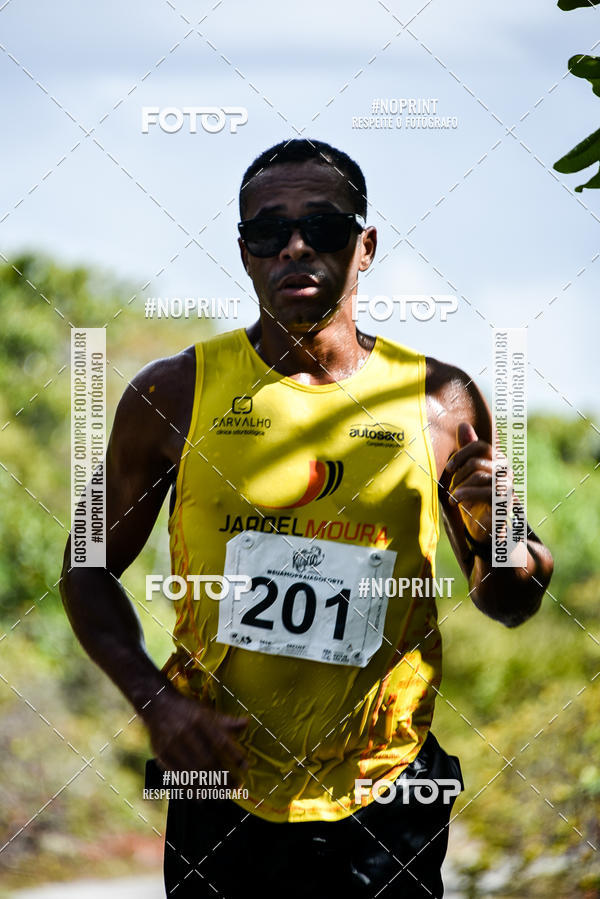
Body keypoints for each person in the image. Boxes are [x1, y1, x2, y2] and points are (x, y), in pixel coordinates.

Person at [60, 139, 554, 898]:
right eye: (269, 230)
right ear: (244, 252)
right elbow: (83, 562)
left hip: (388, 784)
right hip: (216, 778)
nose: (295, 246)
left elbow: (508, 598)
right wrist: (153, 700)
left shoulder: (441, 399)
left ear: (365, 246)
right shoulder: (168, 393)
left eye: (322, 227)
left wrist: (508, 536)